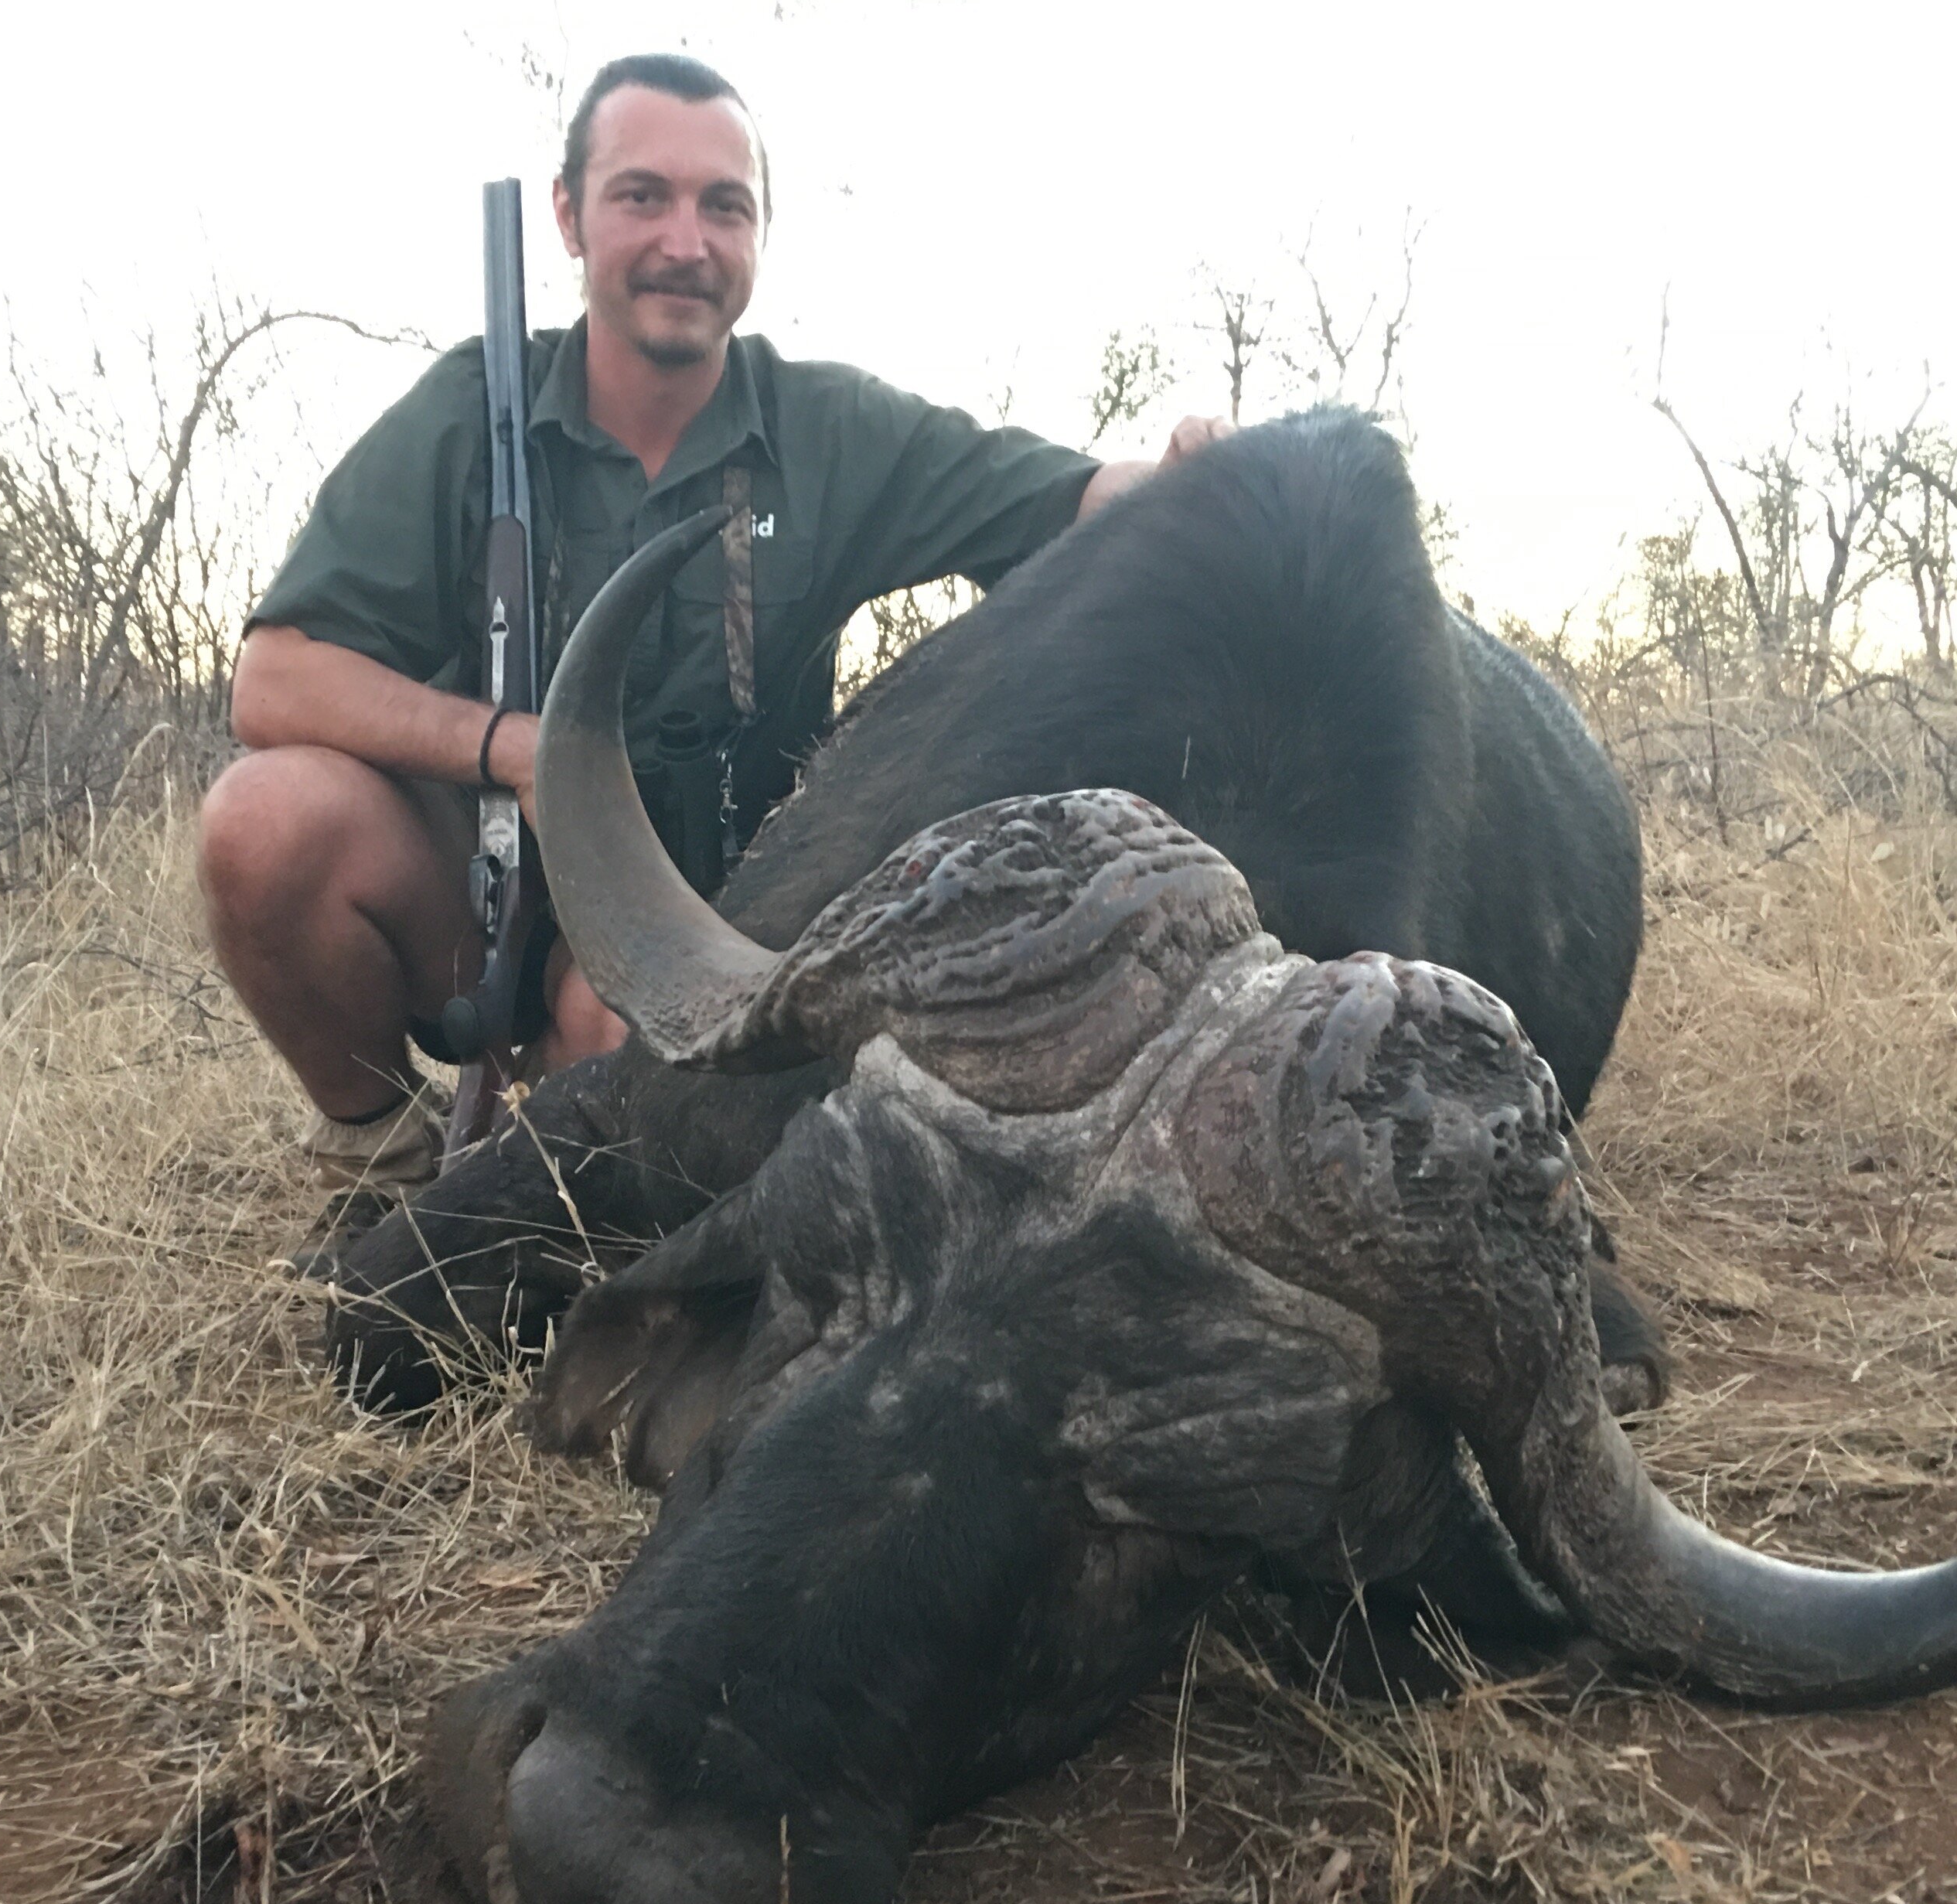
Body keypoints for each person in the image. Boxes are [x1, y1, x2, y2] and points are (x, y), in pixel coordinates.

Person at [199, 51, 1227, 1259]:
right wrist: (512, 751)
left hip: (707, 924)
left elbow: (1068, 499)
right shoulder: (474, 409)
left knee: (622, 1064)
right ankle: (384, 1158)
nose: (685, 240)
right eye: (643, 197)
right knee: (262, 823)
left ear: (758, 235)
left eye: (722, 206)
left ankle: (590, 1176)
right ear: (571, 217)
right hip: (484, 888)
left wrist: (1188, 481)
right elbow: (275, 676)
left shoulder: (833, 429)